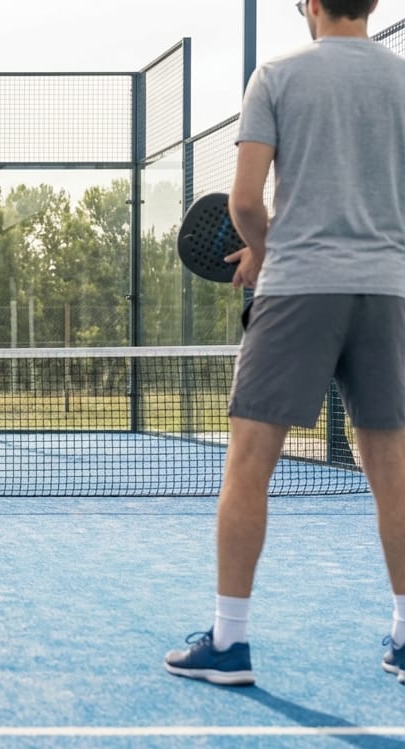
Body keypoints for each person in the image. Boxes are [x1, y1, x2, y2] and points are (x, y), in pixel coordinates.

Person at [165, 0, 405, 686]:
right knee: (393, 467)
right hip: (387, 291)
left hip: (299, 286)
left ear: (309, 3)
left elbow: (245, 203)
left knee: (248, 463)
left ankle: (230, 643)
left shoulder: (276, 75)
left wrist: (266, 253)